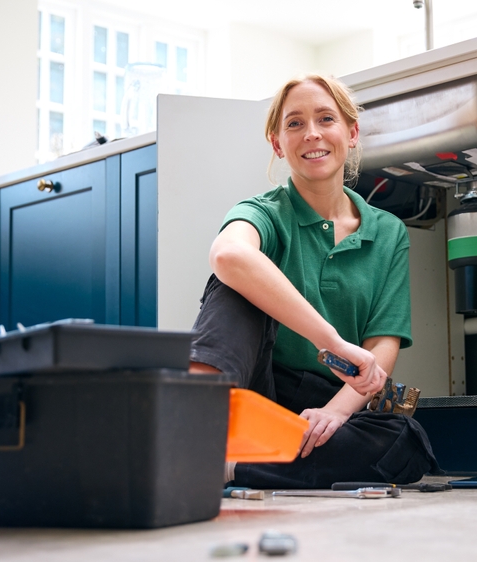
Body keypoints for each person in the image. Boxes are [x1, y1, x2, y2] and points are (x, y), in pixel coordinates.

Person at [189, 74, 438, 489]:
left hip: (326, 402)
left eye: (326, 118)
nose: (312, 134)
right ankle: (193, 425)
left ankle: (230, 466)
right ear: (276, 143)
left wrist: (337, 413)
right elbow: (229, 254)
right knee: (237, 281)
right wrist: (332, 342)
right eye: (294, 123)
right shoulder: (264, 212)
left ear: (351, 132)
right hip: (257, 388)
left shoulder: (388, 231)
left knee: (404, 442)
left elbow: (382, 345)